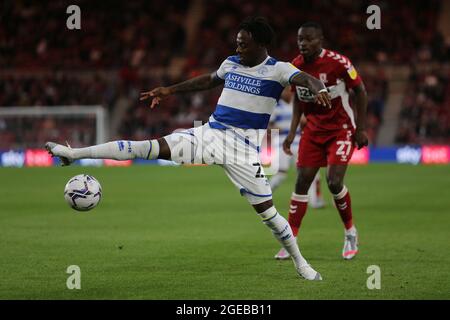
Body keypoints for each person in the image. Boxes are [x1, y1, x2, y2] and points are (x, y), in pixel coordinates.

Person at [45, 17, 331, 280]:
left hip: (243, 151)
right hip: (210, 134)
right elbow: (208, 80)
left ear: (260, 44)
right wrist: (170, 90)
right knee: (147, 148)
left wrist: (318, 88)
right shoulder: (231, 62)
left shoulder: (278, 69)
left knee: (268, 214)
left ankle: (300, 263)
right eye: (237, 42)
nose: (238, 46)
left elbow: (305, 78)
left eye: (243, 43)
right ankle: (74, 153)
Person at [274, 22, 368, 260]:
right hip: (313, 132)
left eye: (308, 39)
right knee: (301, 182)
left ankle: (350, 232)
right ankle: (291, 241)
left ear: (320, 40)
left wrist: (361, 128)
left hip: (341, 130)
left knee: (334, 182)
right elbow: (297, 99)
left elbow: (361, 92)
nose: (302, 44)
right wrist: (293, 131)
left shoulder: (339, 63)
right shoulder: (295, 66)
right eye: (299, 39)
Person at [268, 87, 325, 209]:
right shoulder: (275, 107)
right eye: (285, 90)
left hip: (299, 142)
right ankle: (263, 195)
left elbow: (306, 121)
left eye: (289, 90)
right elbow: (269, 127)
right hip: (281, 143)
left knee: (308, 172)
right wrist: (279, 130)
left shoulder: (298, 104)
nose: (287, 92)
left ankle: (315, 202)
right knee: (281, 174)